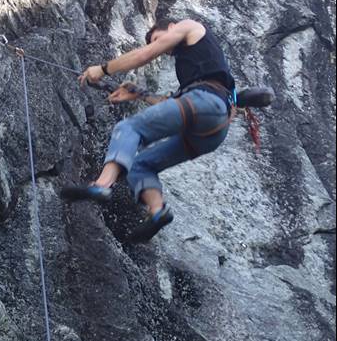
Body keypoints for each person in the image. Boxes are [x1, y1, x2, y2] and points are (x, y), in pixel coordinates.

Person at [61, 18, 236, 242]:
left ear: (171, 27)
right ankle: (157, 211)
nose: (158, 46)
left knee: (129, 127)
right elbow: (174, 105)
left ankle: (102, 185)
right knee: (140, 166)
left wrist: (103, 69)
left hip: (205, 103)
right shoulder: (198, 62)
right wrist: (139, 94)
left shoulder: (188, 26)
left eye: (156, 39)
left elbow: (144, 55)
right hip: (214, 129)